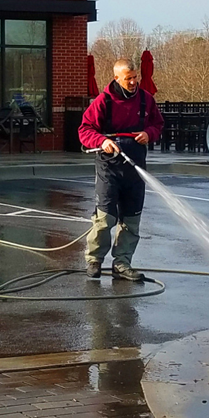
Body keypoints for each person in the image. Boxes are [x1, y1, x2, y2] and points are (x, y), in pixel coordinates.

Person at [78, 59, 165, 281]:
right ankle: (95, 260)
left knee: (132, 218)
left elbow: (158, 124)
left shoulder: (146, 100)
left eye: (135, 77)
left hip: (135, 167)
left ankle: (122, 263)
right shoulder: (103, 101)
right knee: (105, 218)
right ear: (117, 78)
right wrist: (101, 140)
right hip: (109, 167)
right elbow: (84, 130)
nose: (134, 82)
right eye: (129, 78)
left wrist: (149, 134)